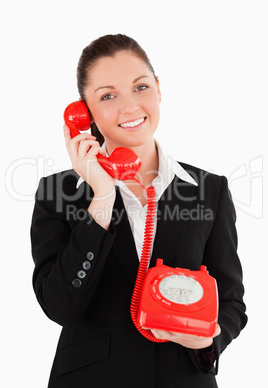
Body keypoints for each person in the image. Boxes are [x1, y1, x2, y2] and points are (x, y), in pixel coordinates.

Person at [30, 34, 247, 388]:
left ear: (159, 89)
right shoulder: (58, 194)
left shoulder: (211, 190)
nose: (130, 107)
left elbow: (231, 300)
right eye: (108, 96)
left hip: (183, 378)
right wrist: (100, 197)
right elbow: (60, 307)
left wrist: (207, 340)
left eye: (141, 87)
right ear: (84, 112)